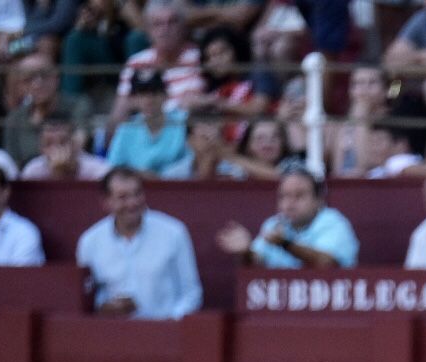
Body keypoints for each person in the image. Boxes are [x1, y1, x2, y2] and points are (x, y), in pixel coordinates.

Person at [75, 165, 203, 318]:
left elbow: (192, 294)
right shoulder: (90, 242)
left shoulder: (174, 232)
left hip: (165, 333)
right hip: (112, 333)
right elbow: (86, 297)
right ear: (106, 202)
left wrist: (171, 321)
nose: (132, 203)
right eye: (123, 197)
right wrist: (106, 307)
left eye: (137, 194)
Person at [215, 164, 359, 269]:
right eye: (284, 196)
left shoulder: (333, 222)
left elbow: (328, 263)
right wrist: (246, 252)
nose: (289, 203)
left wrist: (285, 244)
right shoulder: (273, 224)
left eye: (299, 195)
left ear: (319, 200)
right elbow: (257, 262)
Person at [110, 0, 204, 127]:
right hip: (146, 135)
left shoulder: (200, 57)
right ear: (148, 31)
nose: (165, 30)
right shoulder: (136, 63)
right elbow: (119, 114)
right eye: (157, 24)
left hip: (189, 132)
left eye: (172, 22)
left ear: (183, 27)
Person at [0, 51, 93, 168]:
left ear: (56, 77)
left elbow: (80, 141)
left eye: (44, 75)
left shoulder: (78, 105)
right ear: (21, 86)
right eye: (29, 79)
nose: (37, 83)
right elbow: (11, 163)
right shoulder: (15, 119)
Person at [107, 69, 192, 175]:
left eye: (154, 93)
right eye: (142, 94)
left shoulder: (182, 122)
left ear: (166, 95)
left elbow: (193, 161)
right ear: (133, 99)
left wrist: (161, 177)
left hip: (176, 188)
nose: (148, 100)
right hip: (137, 187)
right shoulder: (126, 129)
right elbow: (114, 167)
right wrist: (139, 176)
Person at [20, 114, 111, 180]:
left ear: (75, 144)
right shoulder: (32, 172)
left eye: (63, 142)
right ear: (41, 148)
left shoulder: (99, 172)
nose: (56, 150)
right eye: (49, 143)